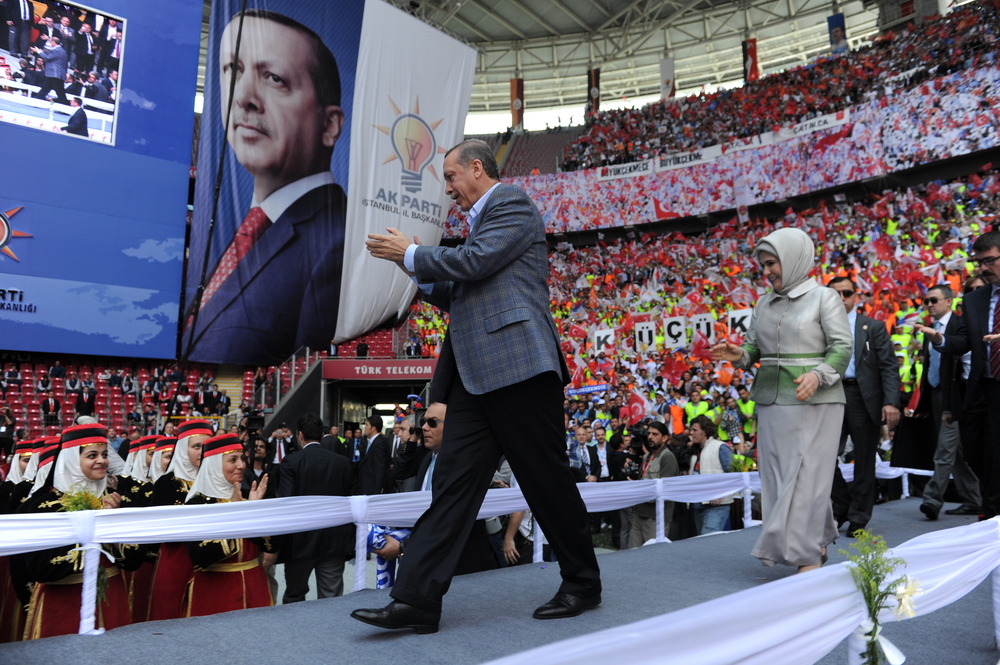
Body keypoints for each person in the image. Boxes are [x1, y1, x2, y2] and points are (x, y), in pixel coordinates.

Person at [355, 139, 601, 633]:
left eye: (450, 178)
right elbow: (459, 292)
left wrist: (414, 252)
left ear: (476, 168)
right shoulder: (477, 229)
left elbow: (473, 264)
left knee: (544, 480)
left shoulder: (511, 202)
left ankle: (582, 583)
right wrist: (407, 263)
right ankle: (417, 599)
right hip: (476, 376)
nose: (448, 190)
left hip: (520, 368)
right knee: (452, 486)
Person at [183, 9, 347, 366]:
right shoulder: (242, 231)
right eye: (233, 71)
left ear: (330, 124)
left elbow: (305, 368)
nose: (243, 98)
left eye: (274, 78)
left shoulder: (339, 242)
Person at [712, 227, 852, 574]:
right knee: (778, 476)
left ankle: (806, 556)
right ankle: (815, 540)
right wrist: (737, 353)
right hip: (771, 401)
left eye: (772, 263)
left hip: (816, 400)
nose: (768, 271)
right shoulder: (763, 302)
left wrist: (818, 375)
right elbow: (752, 349)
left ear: (793, 259)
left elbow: (842, 347)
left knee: (807, 475)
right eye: (763, 265)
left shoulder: (825, 297)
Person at [19, 424, 137, 639]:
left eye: (104, 454)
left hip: (111, 596)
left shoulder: (118, 499)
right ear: (72, 460)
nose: (102, 460)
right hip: (64, 602)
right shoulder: (44, 505)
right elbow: (39, 568)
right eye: (92, 455)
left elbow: (134, 560)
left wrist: (116, 520)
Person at [827, 277, 901, 536]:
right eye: (835, 293)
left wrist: (891, 401)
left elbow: (889, 367)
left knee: (864, 460)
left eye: (846, 293)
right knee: (823, 456)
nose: (841, 298)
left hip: (862, 396)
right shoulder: (818, 328)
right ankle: (842, 504)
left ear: (855, 296)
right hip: (830, 395)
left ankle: (859, 516)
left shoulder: (874, 327)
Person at [182, 433, 273, 616]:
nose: (241, 465)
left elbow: (268, 545)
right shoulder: (197, 504)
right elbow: (200, 556)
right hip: (215, 591)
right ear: (215, 465)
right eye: (233, 460)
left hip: (255, 586)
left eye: (242, 459)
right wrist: (239, 515)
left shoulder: (249, 493)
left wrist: (256, 510)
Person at [266, 414, 353, 602]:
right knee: (332, 598)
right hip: (334, 541)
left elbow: (286, 502)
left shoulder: (291, 461)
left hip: (300, 543)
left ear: (300, 436)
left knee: (295, 597)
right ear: (322, 435)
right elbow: (350, 500)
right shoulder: (342, 463)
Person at [912, 284, 982, 519]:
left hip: (955, 396)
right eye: (926, 301)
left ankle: (932, 500)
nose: (929, 304)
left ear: (949, 301)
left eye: (934, 300)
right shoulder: (929, 328)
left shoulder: (962, 324)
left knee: (944, 449)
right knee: (955, 453)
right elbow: (930, 366)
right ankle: (974, 499)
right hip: (935, 394)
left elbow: (960, 364)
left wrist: (954, 402)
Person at [147, 419, 214, 622]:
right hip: (177, 558)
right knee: (172, 611)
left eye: (206, 446)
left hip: (212, 557)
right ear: (183, 450)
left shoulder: (217, 479)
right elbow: (156, 526)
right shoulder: (166, 483)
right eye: (196, 446)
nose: (202, 452)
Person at [628, 421, 679, 547]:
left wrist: (638, 489)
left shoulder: (667, 457)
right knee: (633, 554)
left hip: (656, 518)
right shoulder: (646, 457)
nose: (650, 437)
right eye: (649, 433)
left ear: (665, 438)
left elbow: (664, 490)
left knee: (652, 557)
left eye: (655, 434)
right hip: (639, 513)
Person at [29, 34, 68, 104]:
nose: (50, 43)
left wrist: (39, 51)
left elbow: (47, 58)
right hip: (55, 74)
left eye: (50, 42)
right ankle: (37, 100)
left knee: (60, 92)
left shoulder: (57, 50)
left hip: (55, 74)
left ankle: (66, 105)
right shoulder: (61, 50)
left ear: (53, 42)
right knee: (45, 88)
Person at [357, 415, 390, 495]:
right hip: (367, 486)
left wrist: (377, 492)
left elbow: (380, 469)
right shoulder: (373, 442)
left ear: (373, 428)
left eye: (367, 425)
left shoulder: (379, 443)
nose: (364, 427)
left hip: (372, 489)